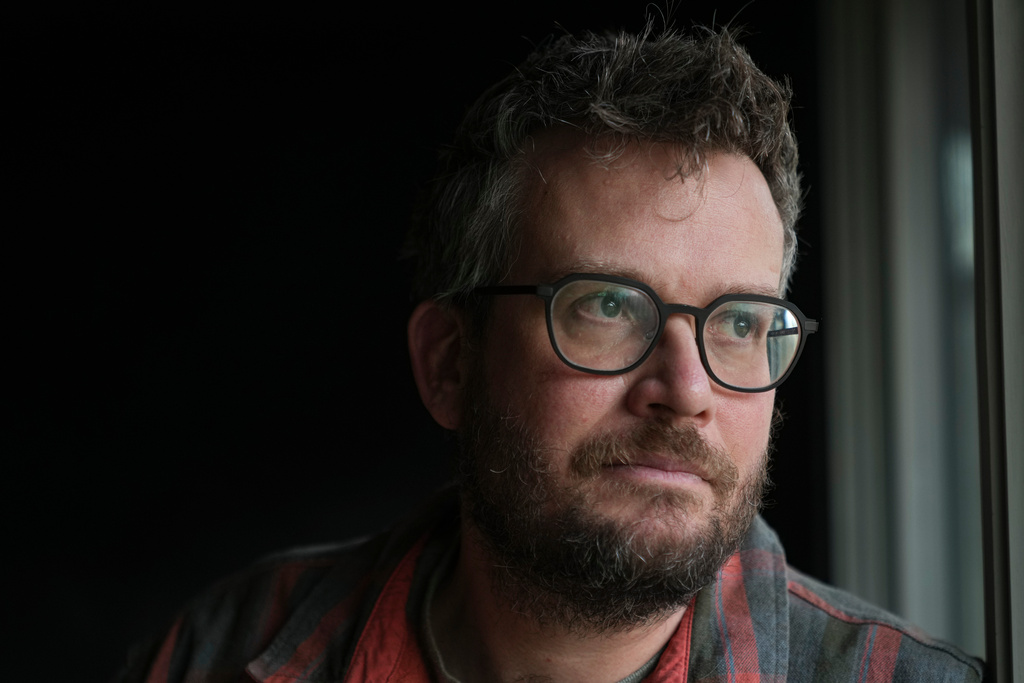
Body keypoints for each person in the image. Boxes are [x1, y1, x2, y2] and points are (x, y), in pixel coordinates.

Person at [117, 24, 984, 683]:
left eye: (738, 322)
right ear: (450, 362)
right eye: (607, 305)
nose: (685, 390)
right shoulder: (209, 655)